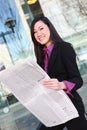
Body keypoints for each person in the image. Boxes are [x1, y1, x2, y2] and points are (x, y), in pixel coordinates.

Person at [30, 15, 87, 130]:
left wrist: (62, 84)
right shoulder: (41, 56)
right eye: (35, 32)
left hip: (71, 106)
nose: (38, 34)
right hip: (53, 107)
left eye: (41, 29)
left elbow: (77, 80)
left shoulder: (64, 48)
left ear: (49, 28)